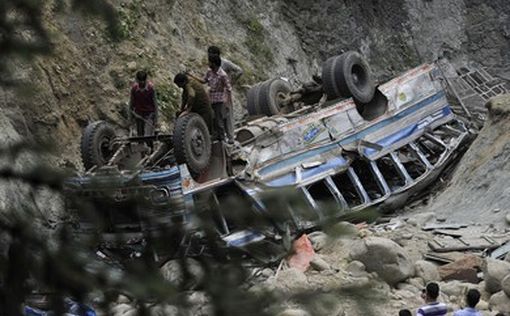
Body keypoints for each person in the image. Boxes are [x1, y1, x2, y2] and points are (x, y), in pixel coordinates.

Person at [203, 54, 233, 142]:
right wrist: (191, 76)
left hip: (219, 100)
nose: (208, 63)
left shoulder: (222, 75)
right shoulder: (209, 72)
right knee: (213, 119)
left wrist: (227, 102)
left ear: (214, 63)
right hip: (211, 99)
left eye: (210, 62)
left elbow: (229, 89)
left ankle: (223, 139)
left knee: (219, 120)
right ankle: (217, 136)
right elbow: (204, 80)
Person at [129, 70, 158, 137]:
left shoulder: (151, 89)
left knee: (147, 136)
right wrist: (131, 118)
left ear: (146, 79)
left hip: (149, 115)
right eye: (140, 81)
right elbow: (131, 104)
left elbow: (155, 105)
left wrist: (156, 121)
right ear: (137, 80)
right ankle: (141, 146)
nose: (141, 83)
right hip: (138, 115)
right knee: (140, 136)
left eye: (143, 81)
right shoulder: (134, 89)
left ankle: (150, 147)